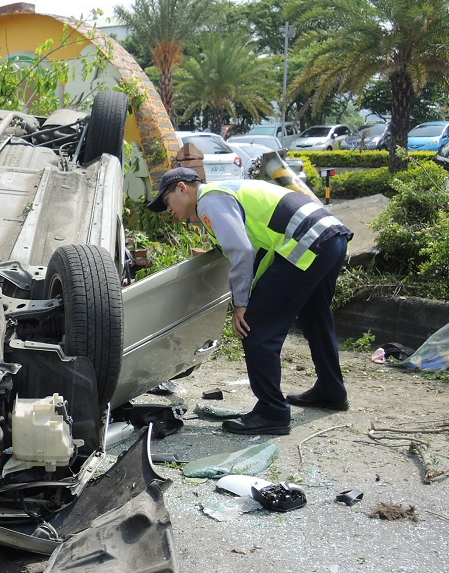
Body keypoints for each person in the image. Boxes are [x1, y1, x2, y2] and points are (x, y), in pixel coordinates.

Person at [148, 167, 353, 435]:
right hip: (330, 236)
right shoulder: (225, 193)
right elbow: (255, 253)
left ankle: (272, 412)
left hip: (306, 241)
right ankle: (331, 390)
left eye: (166, 201)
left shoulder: (209, 200)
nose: (168, 210)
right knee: (315, 316)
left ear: (183, 188)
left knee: (255, 327)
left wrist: (241, 304)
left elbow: (242, 252)